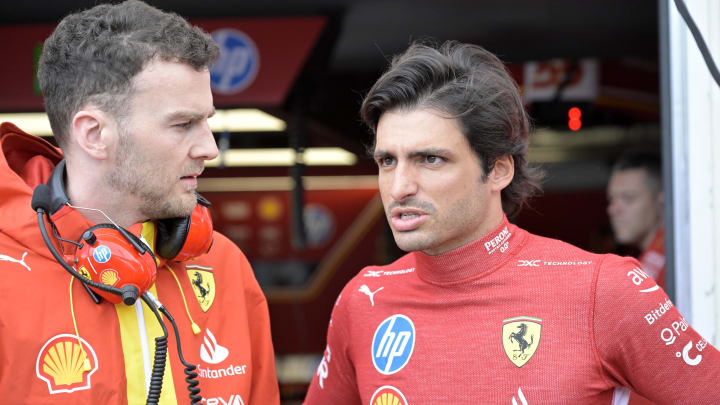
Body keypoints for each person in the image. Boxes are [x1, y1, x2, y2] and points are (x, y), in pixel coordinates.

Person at [303, 40, 720, 404]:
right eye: (387, 161)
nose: (399, 187)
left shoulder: (605, 290)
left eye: (430, 159)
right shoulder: (363, 300)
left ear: (499, 170)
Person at [0, 1, 279, 403]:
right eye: (183, 124)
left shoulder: (225, 265)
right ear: (94, 134)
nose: (210, 148)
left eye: (208, 121)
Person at [607, 151, 666, 289]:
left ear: (660, 202)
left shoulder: (674, 266)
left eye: (628, 198)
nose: (612, 209)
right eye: (611, 199)